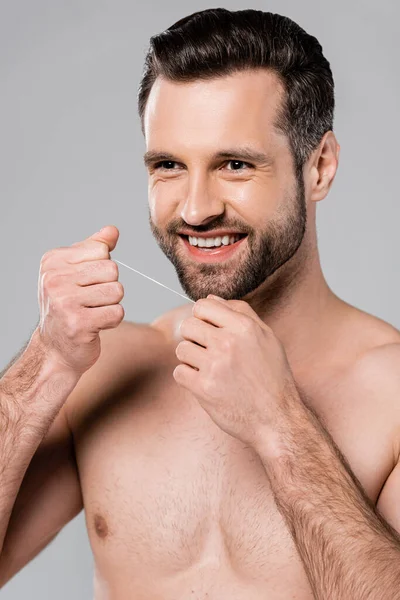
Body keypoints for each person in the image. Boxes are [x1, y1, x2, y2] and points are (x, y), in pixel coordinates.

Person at [1, 7, 400, 599]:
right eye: (168, 166)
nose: (194, 209)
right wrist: (45, 364)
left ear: (319, 166)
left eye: (234, 164)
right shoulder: (108, 372)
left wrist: (280, 424)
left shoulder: (391, 393)